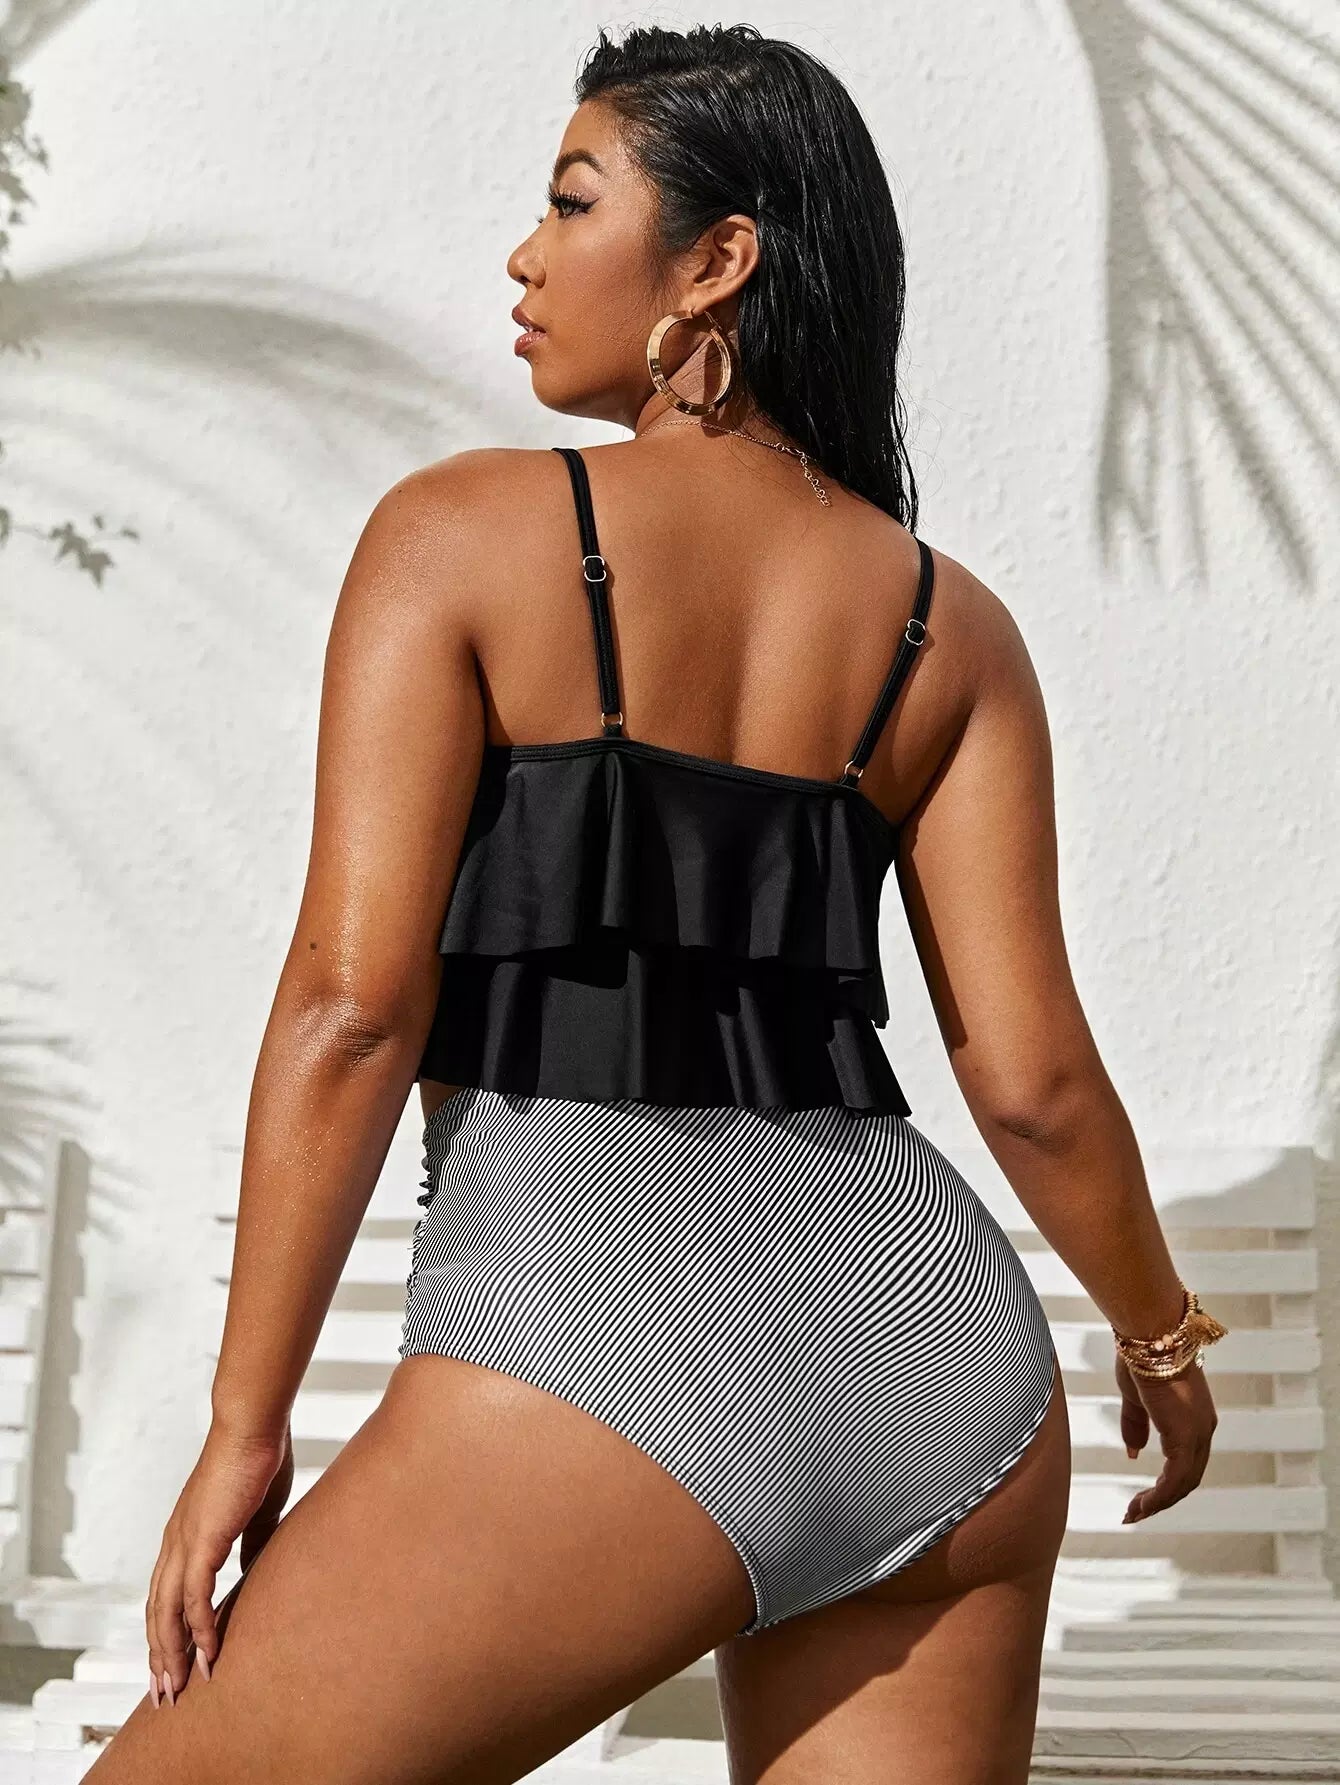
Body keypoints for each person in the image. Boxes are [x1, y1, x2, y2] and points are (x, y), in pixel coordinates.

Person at [87, 22, 1225, 1785]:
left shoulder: (457, 537)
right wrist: (1157, 1332)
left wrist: (246, 1421)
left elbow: (352, 1010)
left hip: (601, 1351)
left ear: (716, 262)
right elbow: (1034, 1082)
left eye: (571, 202)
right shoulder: (955, 631)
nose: (523, 256)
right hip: (942, 1374)